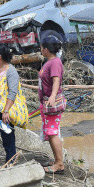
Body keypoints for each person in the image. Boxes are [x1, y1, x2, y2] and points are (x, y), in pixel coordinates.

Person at [38, 35, 65, 174]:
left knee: (53, 133)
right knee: (49, 132)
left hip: (51, 103)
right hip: (46, 102)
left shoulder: (54, 62)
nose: (41, 49)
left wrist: (53, 96)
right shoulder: (49, 62)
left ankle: (60, 164)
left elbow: (56, 80)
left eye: (42, 47)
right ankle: (56, 160)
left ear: (46, 49)